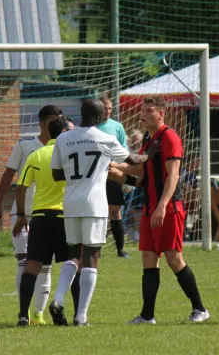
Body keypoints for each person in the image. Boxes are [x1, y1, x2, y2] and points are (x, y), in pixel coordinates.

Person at [49, 99, 148, 326]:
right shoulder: (106, 138)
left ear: (81, 114)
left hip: (70, 203)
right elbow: (133, 159)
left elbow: (56, 174)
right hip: (94, 204)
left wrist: (80, 173)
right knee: (91, 257)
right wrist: (150, 153)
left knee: (73, 254)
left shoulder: (63, 138)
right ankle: (81, 317)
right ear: (100, 117)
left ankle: (57, 299)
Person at [114, 96, 210, 324]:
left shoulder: (169, 137)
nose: (144, 114)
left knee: (174, 259)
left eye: (149, 110)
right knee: (148, 258)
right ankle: (147, 316)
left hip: (168, 209)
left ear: (161, 114)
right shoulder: (149, 140)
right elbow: (143, 174)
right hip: (150, 209)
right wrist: (116, 170)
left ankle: (200, 309)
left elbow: (174, 174)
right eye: (143, 110)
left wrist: (162, 206)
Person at [0, 104, 62, 325]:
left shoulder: (64, 146)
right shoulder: (24, 145)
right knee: (24, 261)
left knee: (45, 264)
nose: (56, 124)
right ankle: (24, 312)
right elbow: (9, 174)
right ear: (42, 123)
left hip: (49, 214)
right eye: (52, 120)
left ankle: (39, 314)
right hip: (22, 214)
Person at [13, 116, 75, 326]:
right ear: (65, 132)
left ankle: (23, 315)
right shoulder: (70, 155)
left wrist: (21, 215)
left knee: (32, 267)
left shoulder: (36, 154)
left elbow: (21, 188)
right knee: (75, 263)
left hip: (39, 217)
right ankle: (77, 316)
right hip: (64, 217)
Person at [97, 93, 130, 258]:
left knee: (115, 211)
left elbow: (124, 152)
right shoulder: (91, 127)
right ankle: (96, 248)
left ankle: (120, 250)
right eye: (105, 108)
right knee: (99, 212)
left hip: (113, 174)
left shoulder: (117, 127)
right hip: (96, 175)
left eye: (110, 108)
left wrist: (125, 174)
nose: (108, 111)